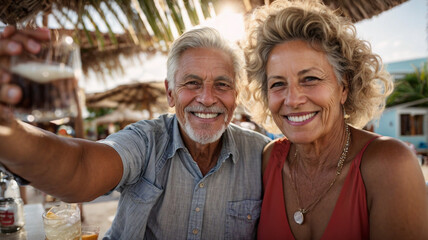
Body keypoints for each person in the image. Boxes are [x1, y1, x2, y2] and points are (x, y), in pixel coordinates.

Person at [0, 26, 270, 238]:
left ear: (236, 95)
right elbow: (80, 167)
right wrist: (5, 127)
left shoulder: (261, 155)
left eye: (222, 85)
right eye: (192, 83)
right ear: (170, 93)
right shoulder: (146, 141)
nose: (207, 98)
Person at [243, 1, 428, 239]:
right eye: (278, 84)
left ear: (344, 87)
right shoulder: (270, 160)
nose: (293, 99)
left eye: (309, 79)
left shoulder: (390, 164)